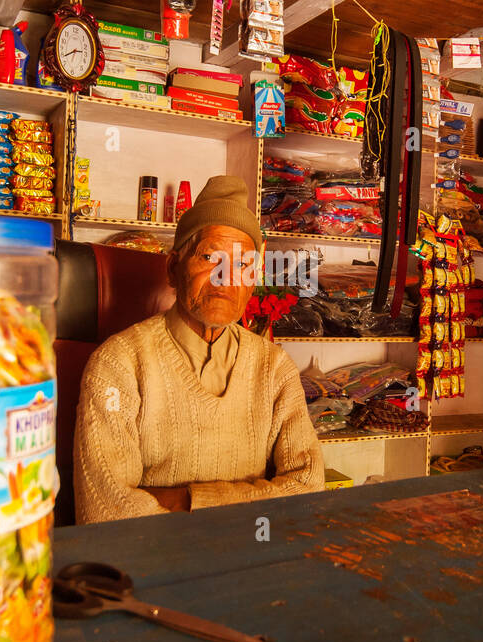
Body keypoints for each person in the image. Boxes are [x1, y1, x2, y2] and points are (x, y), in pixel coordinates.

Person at [74, 175, 324, 524]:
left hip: (252, 560)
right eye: (209, 257)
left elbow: (307, 489)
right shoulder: (119, 364)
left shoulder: (274, 367)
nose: (225, 279)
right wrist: (258, 495)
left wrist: (186, 500)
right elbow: (105, 514)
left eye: (242, 264)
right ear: (174, 268)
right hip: (155, 567)